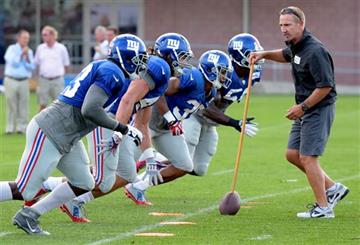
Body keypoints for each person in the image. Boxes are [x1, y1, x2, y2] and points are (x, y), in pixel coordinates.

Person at [0, 34, 147, 235]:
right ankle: (29, 210)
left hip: (68, 134)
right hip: (50, 131)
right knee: (24, 189)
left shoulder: (107, 68)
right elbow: (90, 110)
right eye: (138, 58)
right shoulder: (112, 72)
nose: (140, 64)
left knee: (84, 183)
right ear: (126, 56)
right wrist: (124, 129)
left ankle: (29, 215)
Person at [39, 33, 194, 222]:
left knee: (126, 174)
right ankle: (55, 195)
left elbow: (142, 121)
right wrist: (118, 134)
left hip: (119, 123)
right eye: (183, 56)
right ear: (170, 54)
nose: (185, 62)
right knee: (102, 179)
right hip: (107, 119)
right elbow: (127, 99)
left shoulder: (162, 74)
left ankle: (64, 194)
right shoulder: (159, 67)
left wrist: (149, 156)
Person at [249, 6, 349, 218]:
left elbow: (326, 86)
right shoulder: (296, 46)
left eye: (287, 25)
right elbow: (286, 55)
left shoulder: (315, 51)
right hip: (305, 108)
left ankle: (324, 208)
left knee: (308, 157)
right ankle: (333, 189)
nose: (283, 29)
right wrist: (264, 54)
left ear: (301, 24)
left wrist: (302, 107)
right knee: (292, 154)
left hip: (317, 108)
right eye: (281, 25)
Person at [124, 50, 233, 205]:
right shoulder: (193, 78)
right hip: (148, 124)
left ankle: (138, 187)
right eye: (222, 72)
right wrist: (170, 117)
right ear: (211, 70)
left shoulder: (211, 91)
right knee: (118, 168)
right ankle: (83, 187)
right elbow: (159, 90)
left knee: (184, 166)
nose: (225, 77)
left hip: (167, 130)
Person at [181, 33, 262, 177]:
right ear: (239, 56)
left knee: (199, 169)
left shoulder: (253, 74)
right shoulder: (224, 72)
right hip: (194, 114)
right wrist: (234, 123)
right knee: (181, 162)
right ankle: (149, 168)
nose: (256, 57)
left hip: (211, 122)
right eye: (251, 54)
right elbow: (206, 107)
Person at [3, 29, 35, 134]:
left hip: (24, 80)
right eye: (24, 38)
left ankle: (22, 127)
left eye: (28, 38)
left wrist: (27, 59)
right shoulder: (11, 49)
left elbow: (31, 67)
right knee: (11, 104)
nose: (26, 40)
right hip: (11, 79)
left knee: (23, 104)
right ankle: (10, 127)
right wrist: (21, 55)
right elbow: (13, 63)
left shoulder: (29, 51)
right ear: (19, 38)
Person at [35, 25, 70, 111]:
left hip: (57, 80)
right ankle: (41, 124)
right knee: (42, 104)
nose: (43, 37)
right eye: (43, 35)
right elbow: (36, 64)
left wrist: (60, 75)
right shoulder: (40, 48)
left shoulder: (61, 48)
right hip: (44, 80)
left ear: (52, 35)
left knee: (59, 104)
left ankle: (58, 124)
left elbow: (66, 64)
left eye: (45, 34)